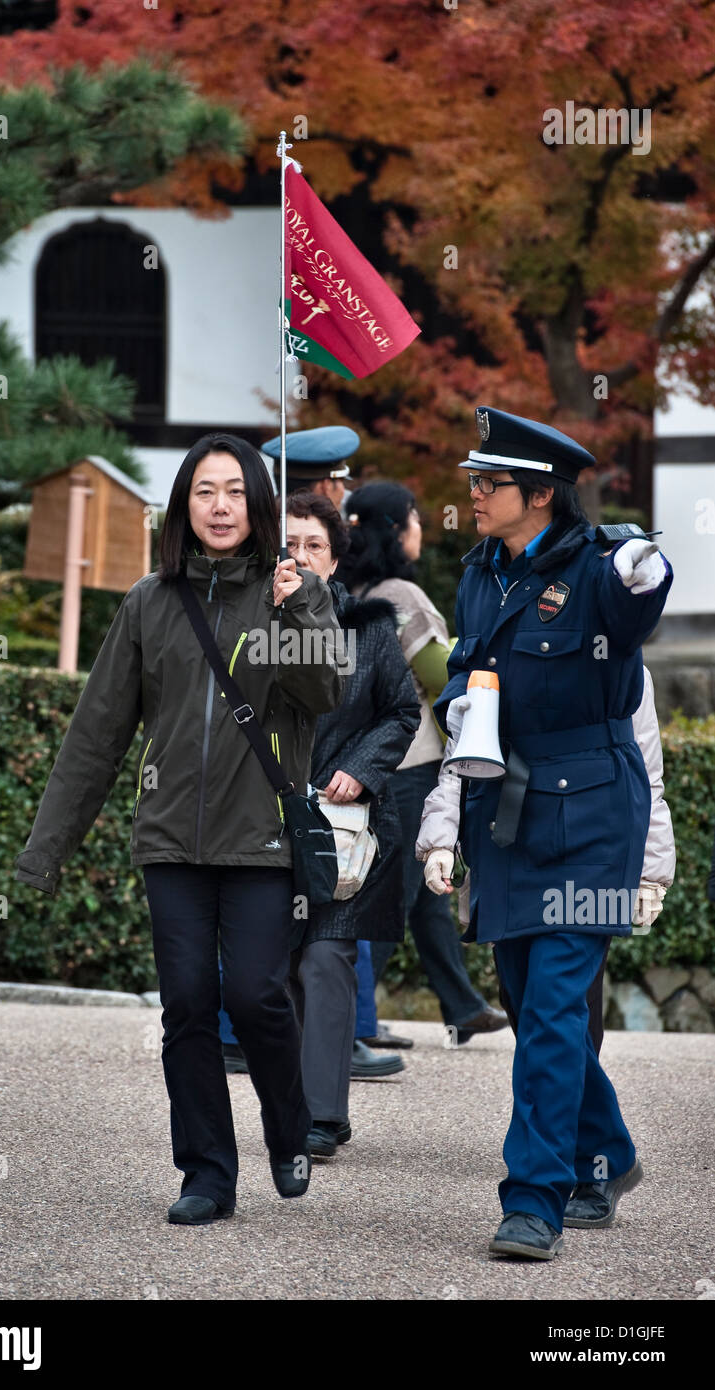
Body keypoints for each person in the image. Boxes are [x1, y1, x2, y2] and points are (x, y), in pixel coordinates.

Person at [13, 432, 345, 1226]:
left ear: (258, 503)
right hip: (170, 841)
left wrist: (294, 604)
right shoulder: (149, 602)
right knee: (188, 1003)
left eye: (234, 490)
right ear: (183, 505)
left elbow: (324, 690)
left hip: (260, 836)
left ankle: (289, 1129)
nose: (220, 505)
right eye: (204, 491)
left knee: (259, 994)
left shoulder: (290, 593)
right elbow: (96, 736)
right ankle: (206, 1174)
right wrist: (43, 852)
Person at [417, 404, 673, 1260]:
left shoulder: (602, 568)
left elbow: (640, 595)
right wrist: (461, 703)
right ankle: (608, 1151)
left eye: (486, 485)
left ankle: (534, 1198)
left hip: (594, 812)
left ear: (537, 495)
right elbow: (464, 668)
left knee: (559, 1009)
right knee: (534, 1010)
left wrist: (647, 564)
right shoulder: (481, 571)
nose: (473, 497)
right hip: (509, 807)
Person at [337, 480, 509, 1043]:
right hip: (410, 765)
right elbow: (442, 677)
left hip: (366, 759)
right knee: (395, 893)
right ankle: (352, 1022)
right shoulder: (401, 597)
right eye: (412, 516)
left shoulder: (349, 590)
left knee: (423, 895)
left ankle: (462, 1006)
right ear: (394, 529)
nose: (420, 527)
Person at [282, 492, 421, 1155]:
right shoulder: (246, 628)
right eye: (287, 544)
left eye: (312, 545)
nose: (298, 556)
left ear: (335, 560)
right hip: (259, 819)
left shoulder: (369, 629)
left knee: (326, 957)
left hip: (341, 825)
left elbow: (401, 711)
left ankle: (321, 1115)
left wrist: (362, 767)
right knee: (269, 968)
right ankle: (289, 1098)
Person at [262, 424, 358, 518]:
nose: (344, 491)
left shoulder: (261, 525)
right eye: (341, 481)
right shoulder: (334, 531)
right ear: (326, 486)